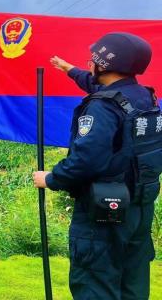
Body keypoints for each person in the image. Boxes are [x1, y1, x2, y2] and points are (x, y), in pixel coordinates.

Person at [33, 32, 162, 299]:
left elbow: (85, 160)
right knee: (132, 286)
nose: (89, 63)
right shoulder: (143, 98)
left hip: (103, 214)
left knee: (96, 286)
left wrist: (52, 179)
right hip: (138, 209)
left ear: (103, 66)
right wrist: (69, 69)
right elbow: (99, 88)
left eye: (93, 60)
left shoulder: (102, 108)